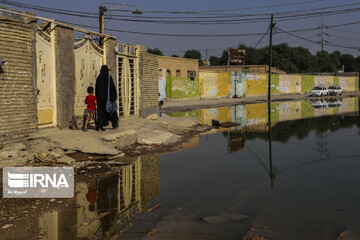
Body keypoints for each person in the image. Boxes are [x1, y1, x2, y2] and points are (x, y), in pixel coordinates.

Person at [95, 65, 119, 131]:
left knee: (100, 113)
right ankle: (114, 125)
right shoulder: (109, 78)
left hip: (100, 100)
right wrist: (114, 97)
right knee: (111, 112)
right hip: (108, 99)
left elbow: (96, 89)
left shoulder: (99, 78)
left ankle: (100, 127)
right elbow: (112, 88)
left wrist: (97, 98)